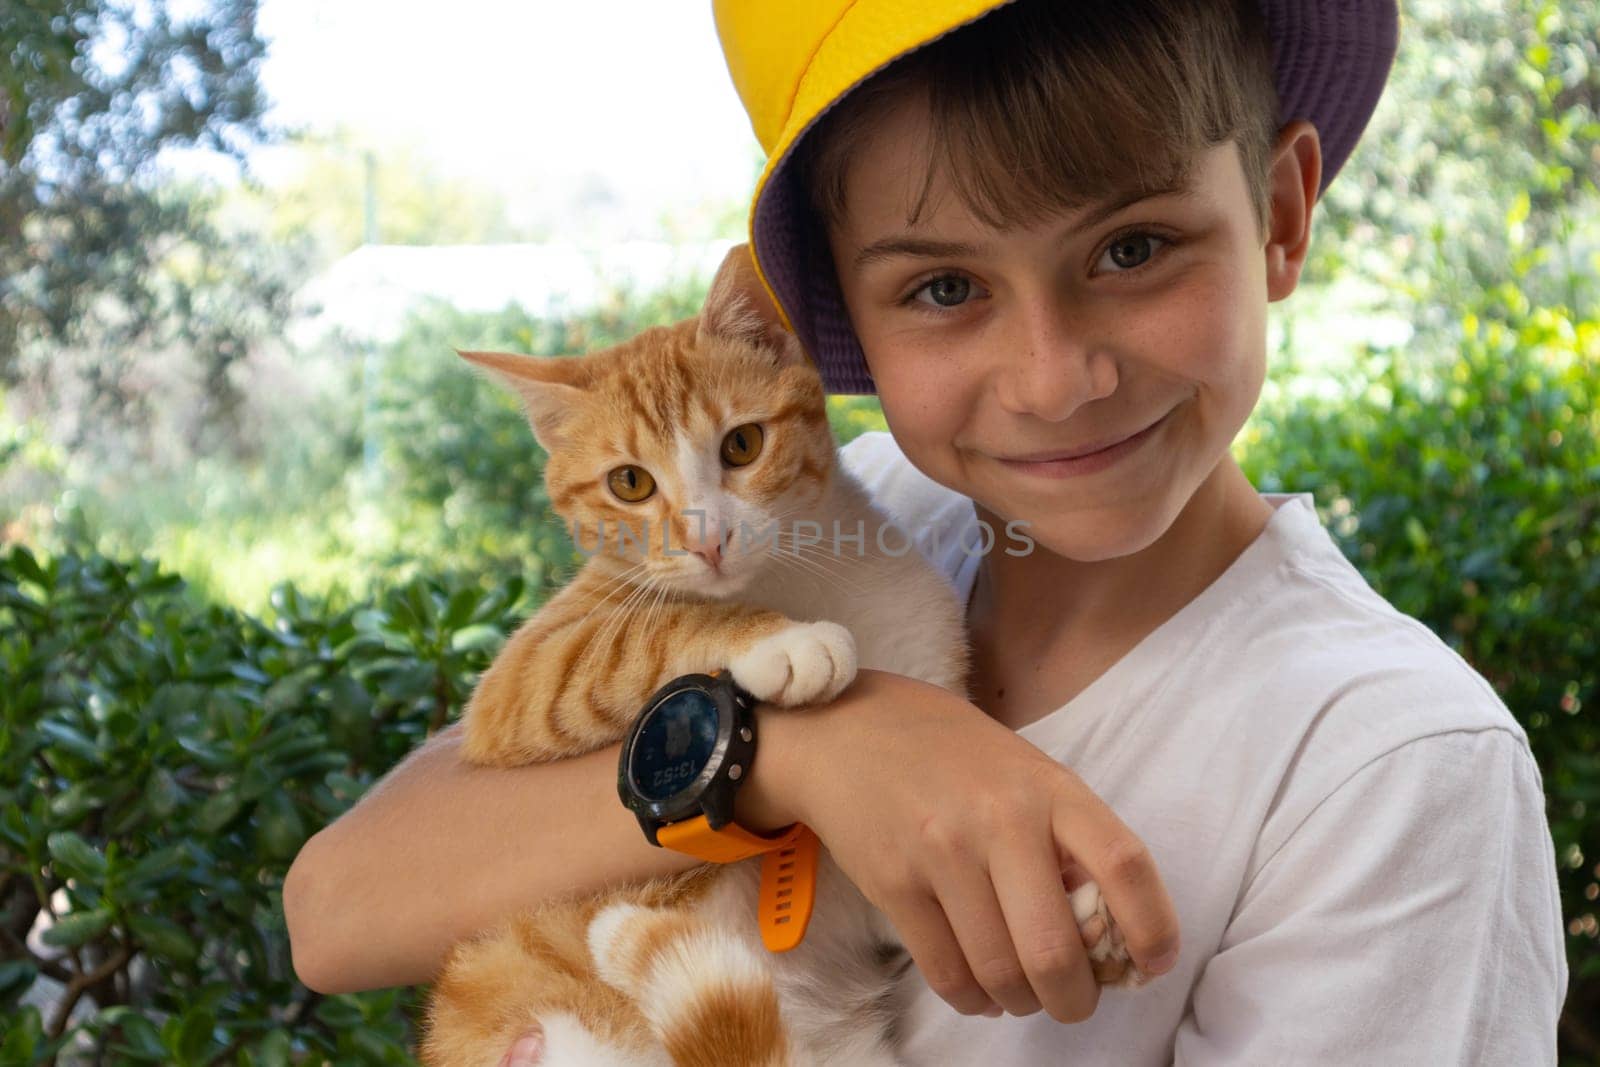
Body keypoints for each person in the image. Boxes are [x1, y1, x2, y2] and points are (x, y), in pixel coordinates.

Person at [284, 0, 1570, 1062]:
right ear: (838, 306)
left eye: (1134, 247)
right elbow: (338, 910)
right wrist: (802, 749)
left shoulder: (1393, 767)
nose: (1051, 376)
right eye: (944, 287)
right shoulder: (861, 507)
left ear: (1282, 215)